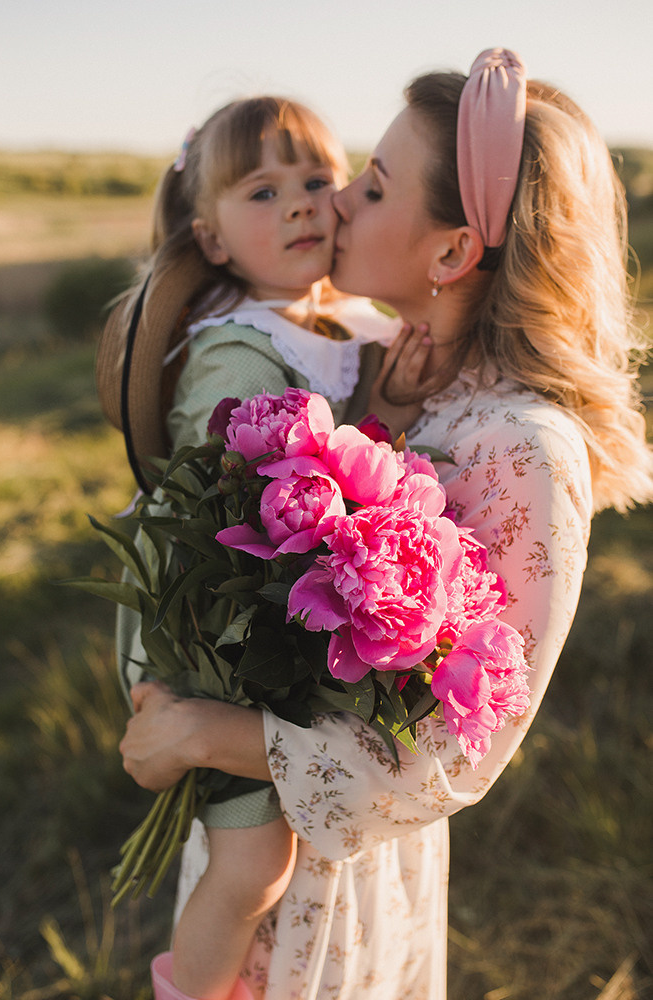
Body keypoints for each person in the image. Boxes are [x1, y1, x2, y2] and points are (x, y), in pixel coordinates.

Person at [118, 50, 653, 1000]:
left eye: (369, 185)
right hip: (256, 836)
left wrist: (203, 733)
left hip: (344, 875)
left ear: (451, 253)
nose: (334, 206)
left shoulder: (521, 446)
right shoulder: (404, 378)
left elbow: (454, 753)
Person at [96, 97, 397, 1000]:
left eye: (315, 179)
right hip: (204, 628)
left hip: (257, 607)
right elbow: (204, 521)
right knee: (255, 858)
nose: (302, 204)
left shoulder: (328, 322)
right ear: (212, 240)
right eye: (263, 192)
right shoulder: (237, 354)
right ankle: (191, 990)